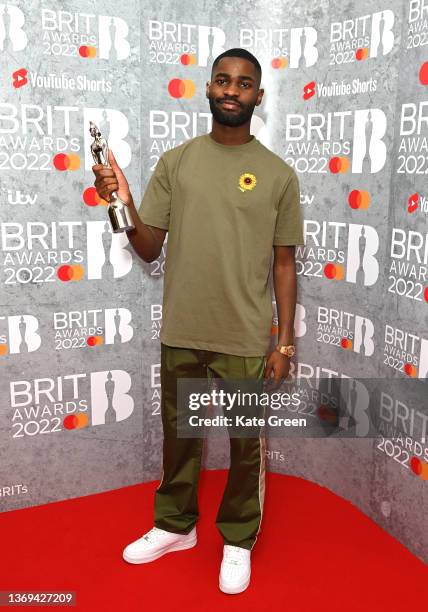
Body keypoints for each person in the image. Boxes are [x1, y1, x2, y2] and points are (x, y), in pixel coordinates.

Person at [92, 47, 304, 595]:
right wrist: (124, 201)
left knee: (243, 444)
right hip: (183, 328)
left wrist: (284, 344)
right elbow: (147, 248)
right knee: (179, 438)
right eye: (223, 81)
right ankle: (174, 526)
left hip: (243, 336)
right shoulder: (178, 161)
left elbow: (285, 262)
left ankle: (237, 538)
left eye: (244, 83)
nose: (232, 90)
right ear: (208, 89)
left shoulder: (279, 175)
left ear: (259, 96)